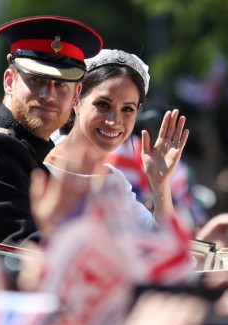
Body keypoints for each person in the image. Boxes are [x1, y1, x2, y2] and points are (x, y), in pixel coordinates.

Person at [0, 15, 103, 245]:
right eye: (35, 80)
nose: (47, 95)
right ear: (9, 82)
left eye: (61, 85)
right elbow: (24, 250)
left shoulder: (27, 154)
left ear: (75, 96)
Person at [41, 49, 189, 230]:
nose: (113, 121)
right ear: (76, 99)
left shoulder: (115, 181)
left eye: (127, 109)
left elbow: (164, 247)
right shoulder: (39, 168)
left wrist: (160, 184)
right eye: (103, 104)